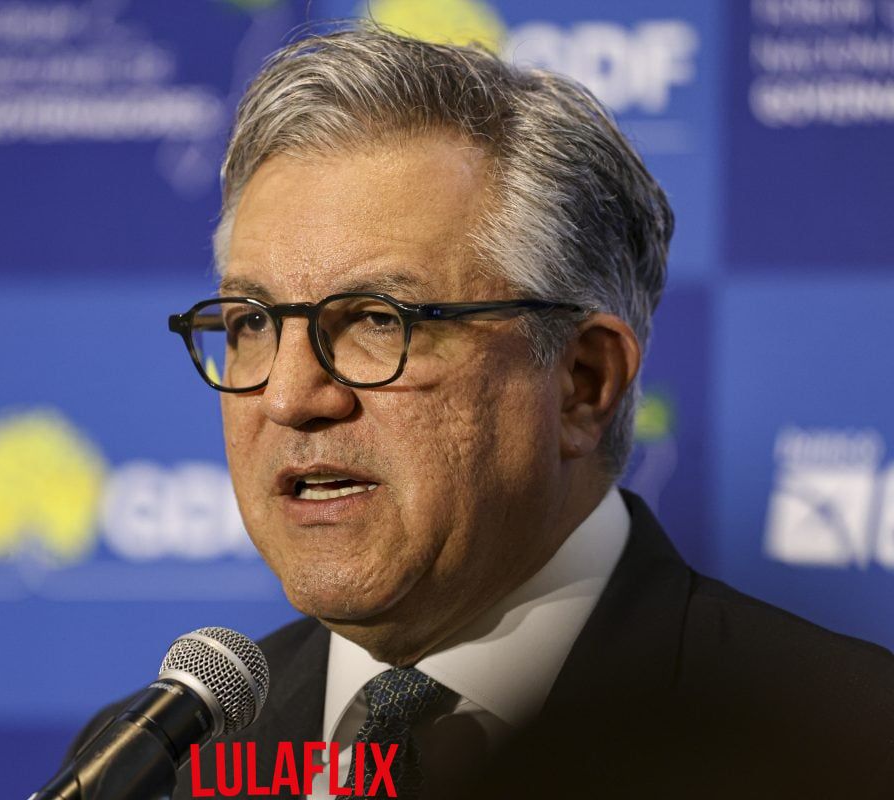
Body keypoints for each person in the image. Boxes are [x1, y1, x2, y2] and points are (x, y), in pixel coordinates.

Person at [71, 26, 894, 797]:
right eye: (252, 323)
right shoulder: (152, 767)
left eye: (377, 321)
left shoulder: (847, 746)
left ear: (582, 382)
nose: (288, 397)